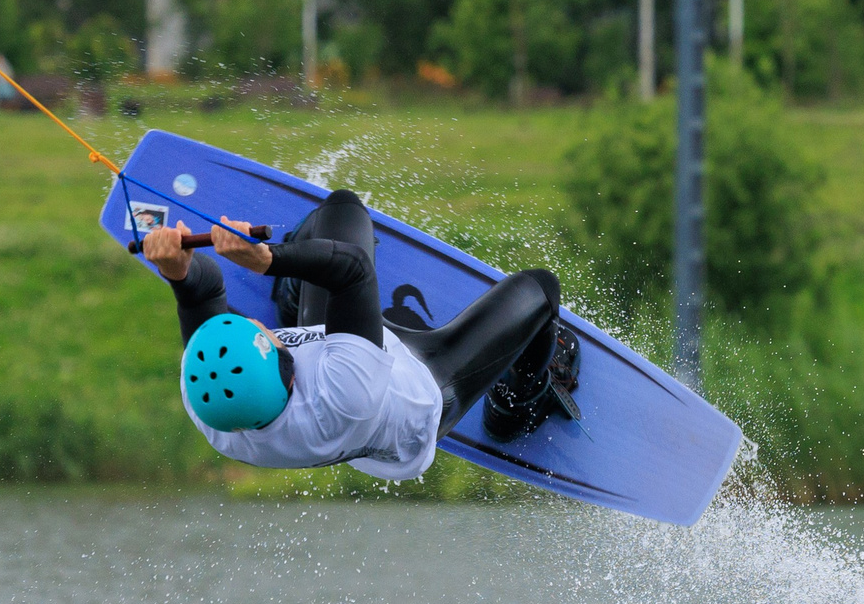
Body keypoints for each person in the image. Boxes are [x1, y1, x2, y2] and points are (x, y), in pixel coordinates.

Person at [140, 188, 579, 481]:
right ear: (288, 375)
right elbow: (352, 269)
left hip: (340, 352)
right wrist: (267, 259)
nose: (253, 323)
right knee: (541, 290)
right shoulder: (342, 395)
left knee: (343, 208)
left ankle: (292, 300)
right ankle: (518, 402)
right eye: (260, 332)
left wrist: (177, 269)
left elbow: (206, 291)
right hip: (420, 395)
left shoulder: (210, 405)